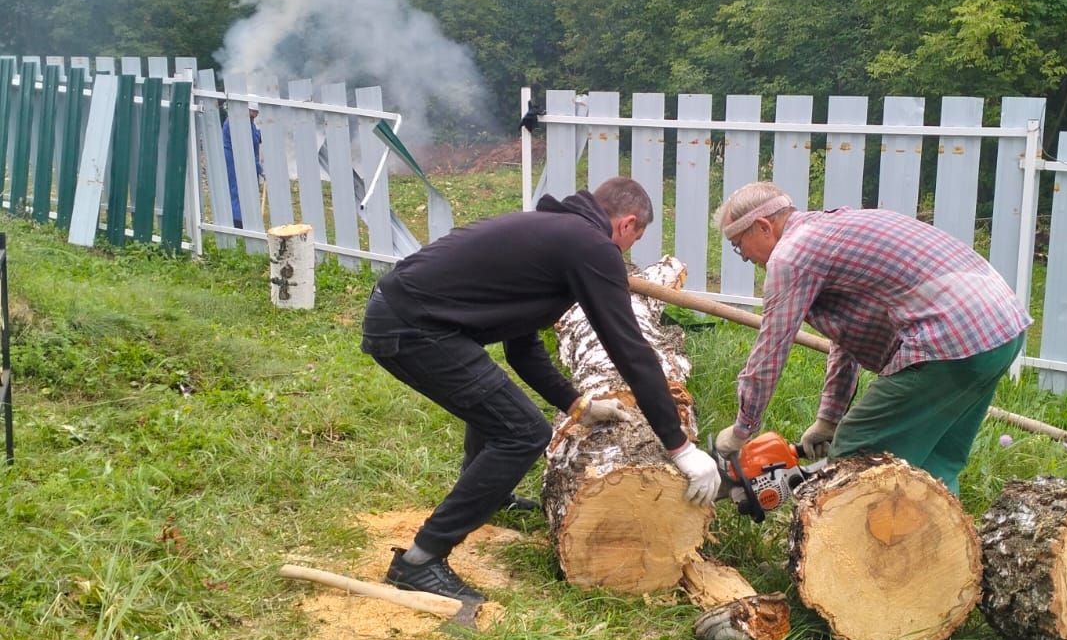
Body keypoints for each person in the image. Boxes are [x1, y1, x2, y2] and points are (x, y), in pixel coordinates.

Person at [361, 176, 722, 604]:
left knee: (500, 417)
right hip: (413, 327)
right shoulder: (589, 244)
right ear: (626, 224)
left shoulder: (553, 233)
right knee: (522, 431)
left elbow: (523, 347)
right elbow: (630, 350)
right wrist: (680, 448)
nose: (623, 254)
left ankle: (488, 494)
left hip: (407, 315)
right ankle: (420, 561)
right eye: (632, 241)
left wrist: (578, 404)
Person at [713, 182, 1030, 495]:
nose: (742, 257)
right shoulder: (832, 230)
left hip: (952, 337)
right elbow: (849, 335)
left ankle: (847, 542)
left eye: (738, 244)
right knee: (934, 464)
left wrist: (742, 430)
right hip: (1001, 329)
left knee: (856, 449)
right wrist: (828, 419)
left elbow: (771, 351)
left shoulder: (791, 255)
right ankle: (941, 542)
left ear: (762, 226)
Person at [222, 96, 263, 229]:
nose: (256, 115)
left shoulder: (247, 120)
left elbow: (254, 135)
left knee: (246, 191)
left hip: (243, 160)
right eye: (254, 112)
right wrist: (260, 169)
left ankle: (244, 221)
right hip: (235, 161)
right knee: (239, 191)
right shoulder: (237, 122)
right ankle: (238, 224)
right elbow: (247, 149)